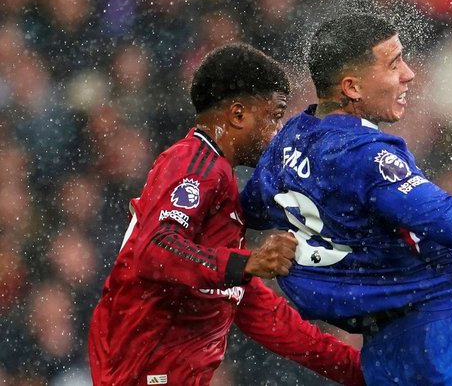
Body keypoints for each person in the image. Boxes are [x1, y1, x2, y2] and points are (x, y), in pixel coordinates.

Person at [241, 13, 452, 385]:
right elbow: (448, 220)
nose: (409, 74)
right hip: (446, 338)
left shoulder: (290, 141)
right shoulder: (365, 154)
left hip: (387, 359)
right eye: (393, 64)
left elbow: (248, 210)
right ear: (352, 87)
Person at [88, 43, 364, 386]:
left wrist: (361, 371)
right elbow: (154, 249)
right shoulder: (195, 162)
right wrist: (243, 263)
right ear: (237, 114)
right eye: (275, 116)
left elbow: (266, 317)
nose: (277, 132)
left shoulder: (224, 195)